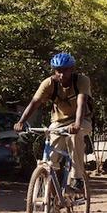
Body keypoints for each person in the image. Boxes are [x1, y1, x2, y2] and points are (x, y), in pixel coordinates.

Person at [14, 52, 93, 197]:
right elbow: (34, 103)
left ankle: (77, 179)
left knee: (75, 137)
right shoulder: (49, 83)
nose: (62, 74)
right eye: (58, 71)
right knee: (51, 159)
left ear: (72, 69)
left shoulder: (82, 80)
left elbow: (82, 104)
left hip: (81, 121)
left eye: (65, 70)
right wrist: (21, 121)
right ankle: (53, 196)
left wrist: (76, 124)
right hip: (58, 123)